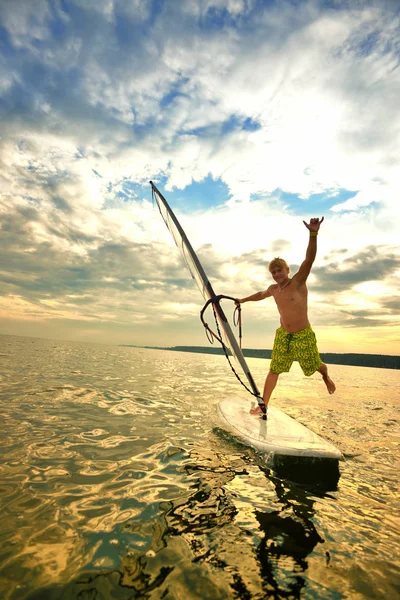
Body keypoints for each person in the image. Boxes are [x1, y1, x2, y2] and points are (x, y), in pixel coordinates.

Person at [235, 217, 335, 417]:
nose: (276, 274)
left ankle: (325, 375)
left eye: (279, 270)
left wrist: (313, 233)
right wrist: (242, 300)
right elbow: (260, 295)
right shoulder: (273, 289)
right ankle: (263, 406)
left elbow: (309, 259)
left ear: (287, 270)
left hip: (303, 334)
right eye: (273, 272)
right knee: (274, 370)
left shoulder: (298, 282)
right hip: (284, 335)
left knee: (314, 365)